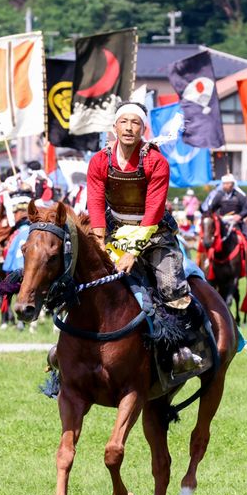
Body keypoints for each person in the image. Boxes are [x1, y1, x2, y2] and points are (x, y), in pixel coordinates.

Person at [87, 101, 198, 374]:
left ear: (143, 128)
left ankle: (180, 350)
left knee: (171, 287)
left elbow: (154, 210)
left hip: (154, 235)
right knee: (86, 282)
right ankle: (65, 352)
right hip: (113, 233)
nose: (128, 127)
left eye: (135, 123)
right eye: (123, 122)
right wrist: (99, 242)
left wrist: (132, 252)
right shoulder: (99, 161)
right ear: (114, 127)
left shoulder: (155, 161)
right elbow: (96, 202)